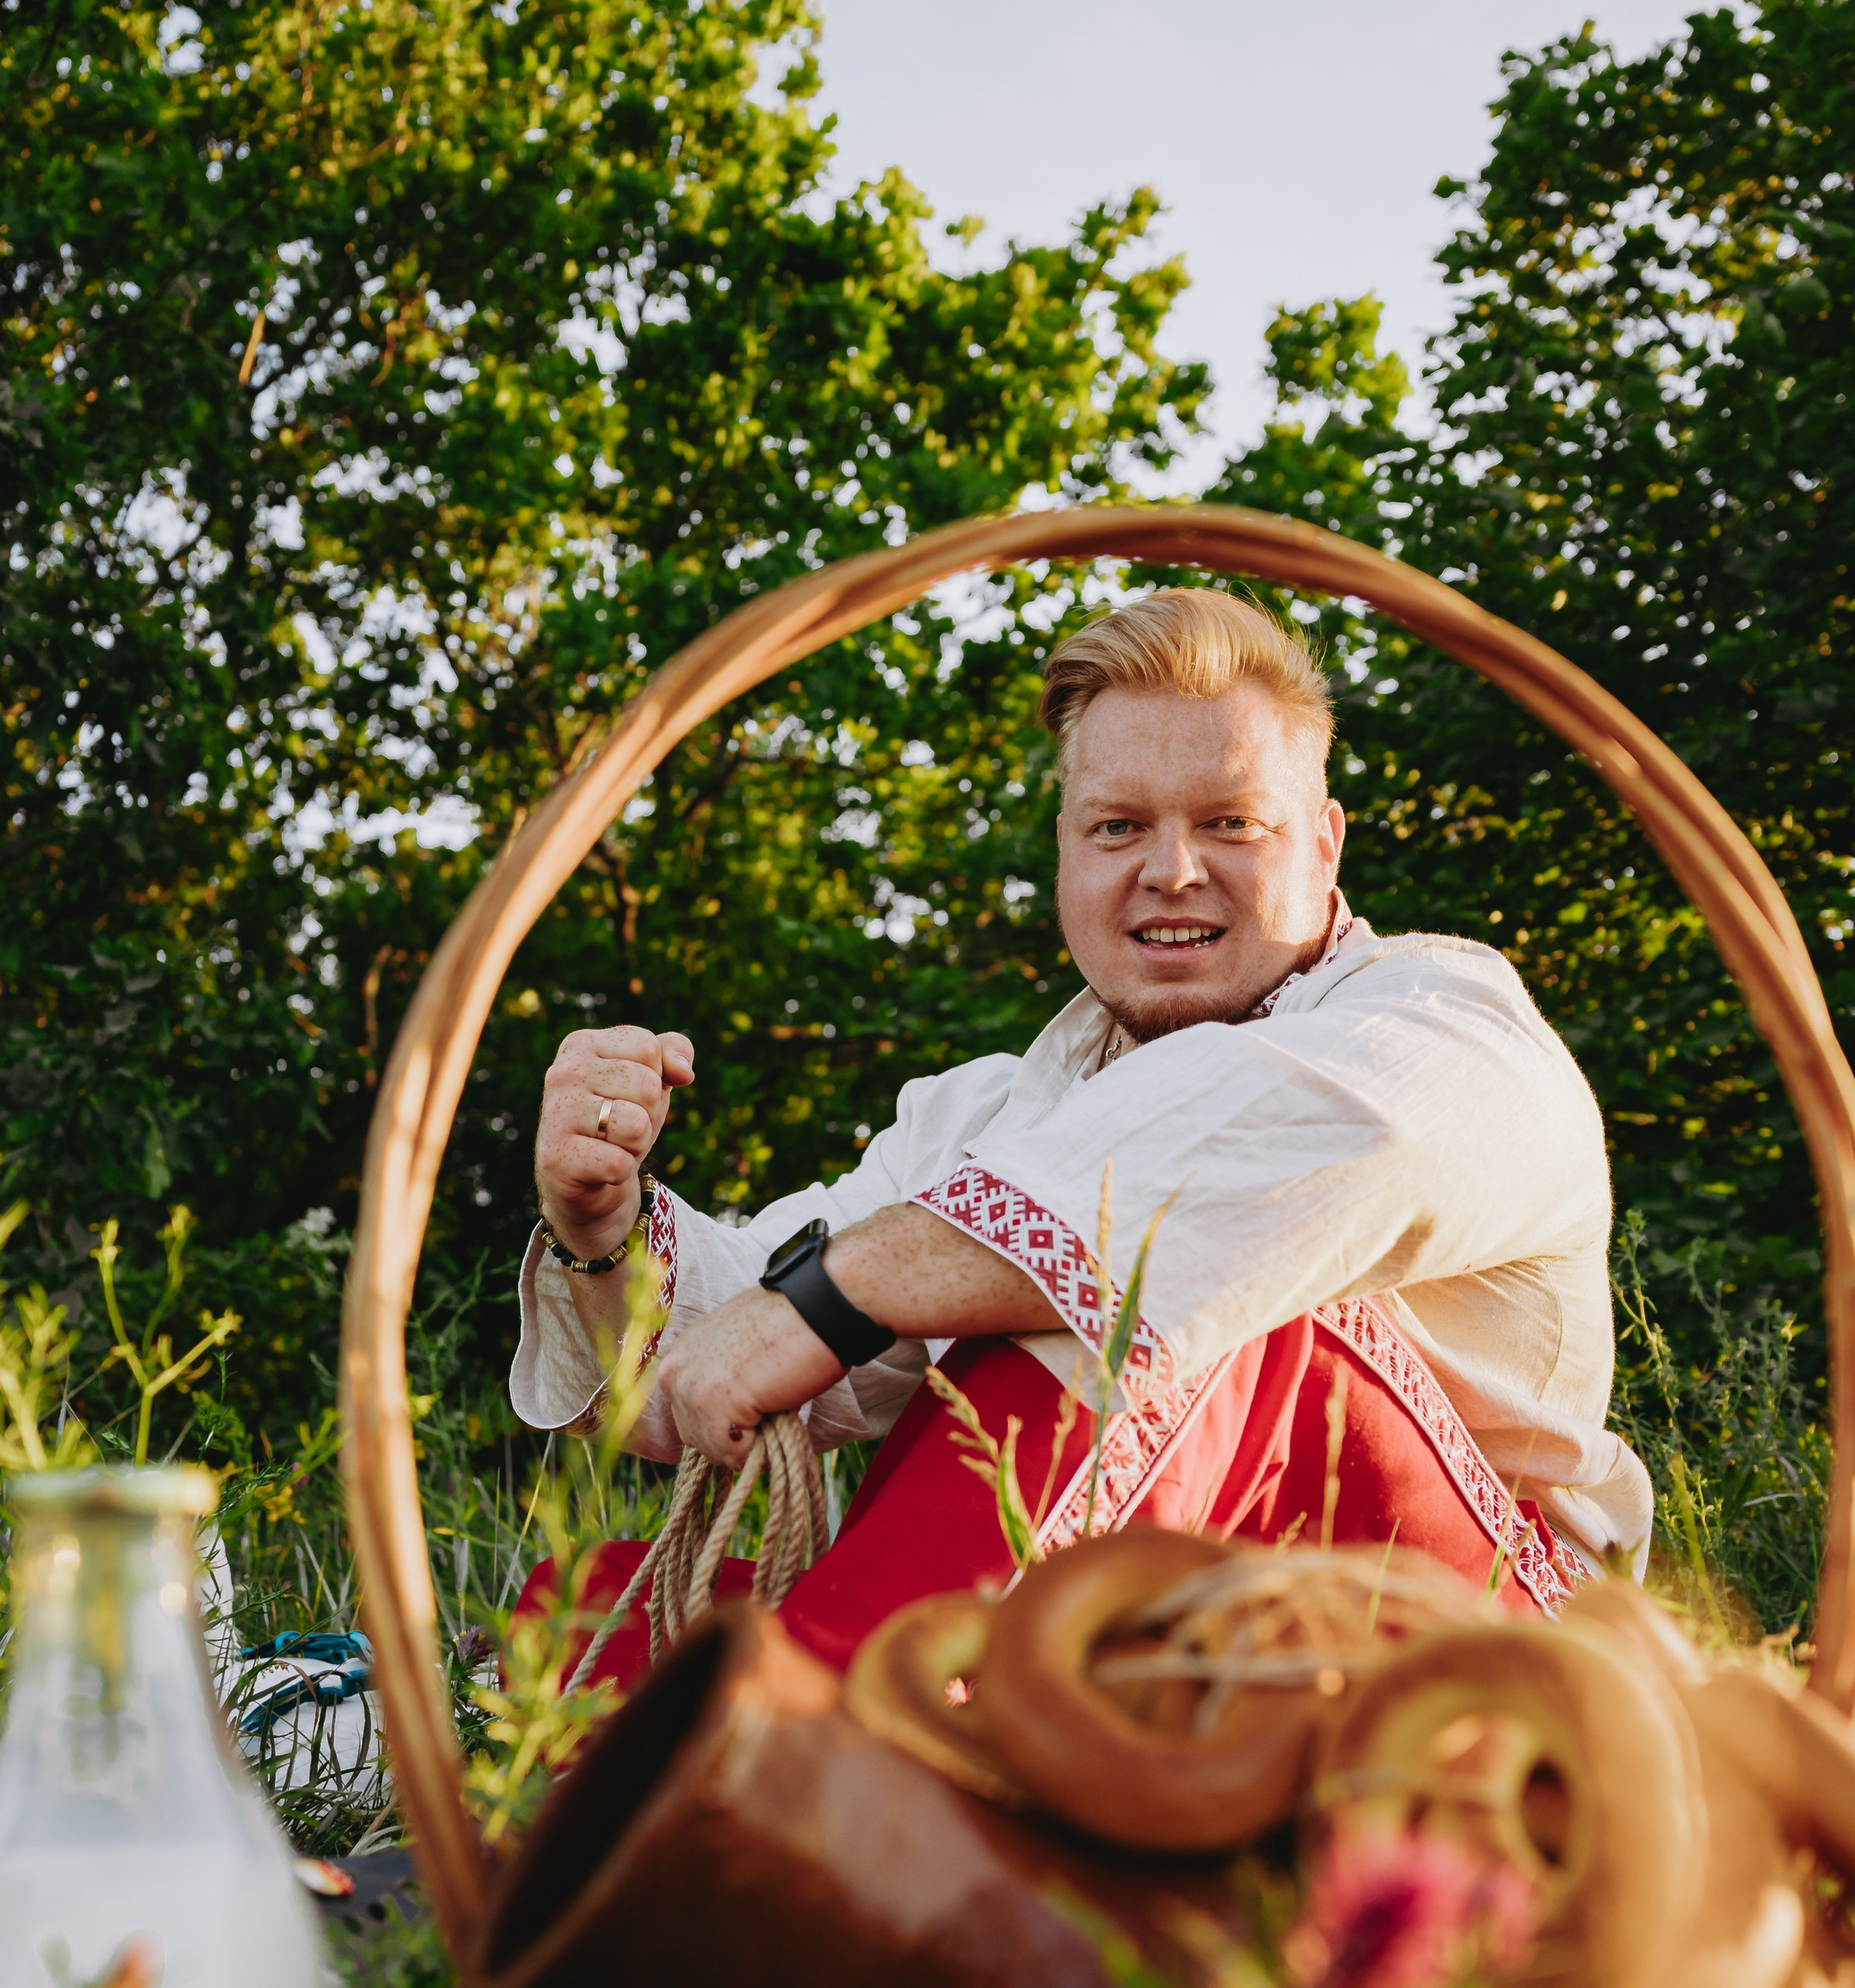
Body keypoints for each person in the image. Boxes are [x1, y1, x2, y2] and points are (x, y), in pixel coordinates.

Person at [512, 588, 1651, 1684]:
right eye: (1119, 826)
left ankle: (818, 1759)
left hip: (1466, 1655)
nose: (1170, 870)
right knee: (582, 1614)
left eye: (1230, 823)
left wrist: (838, 1295)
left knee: (1149, 1285)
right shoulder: (999, 1114)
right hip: (1135, 1638)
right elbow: (735, 1353)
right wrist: (603, 1227)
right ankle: (841, 1737)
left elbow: (1238, 1165)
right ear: (1066, 851)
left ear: (1324, 845)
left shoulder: (1447, 1022)